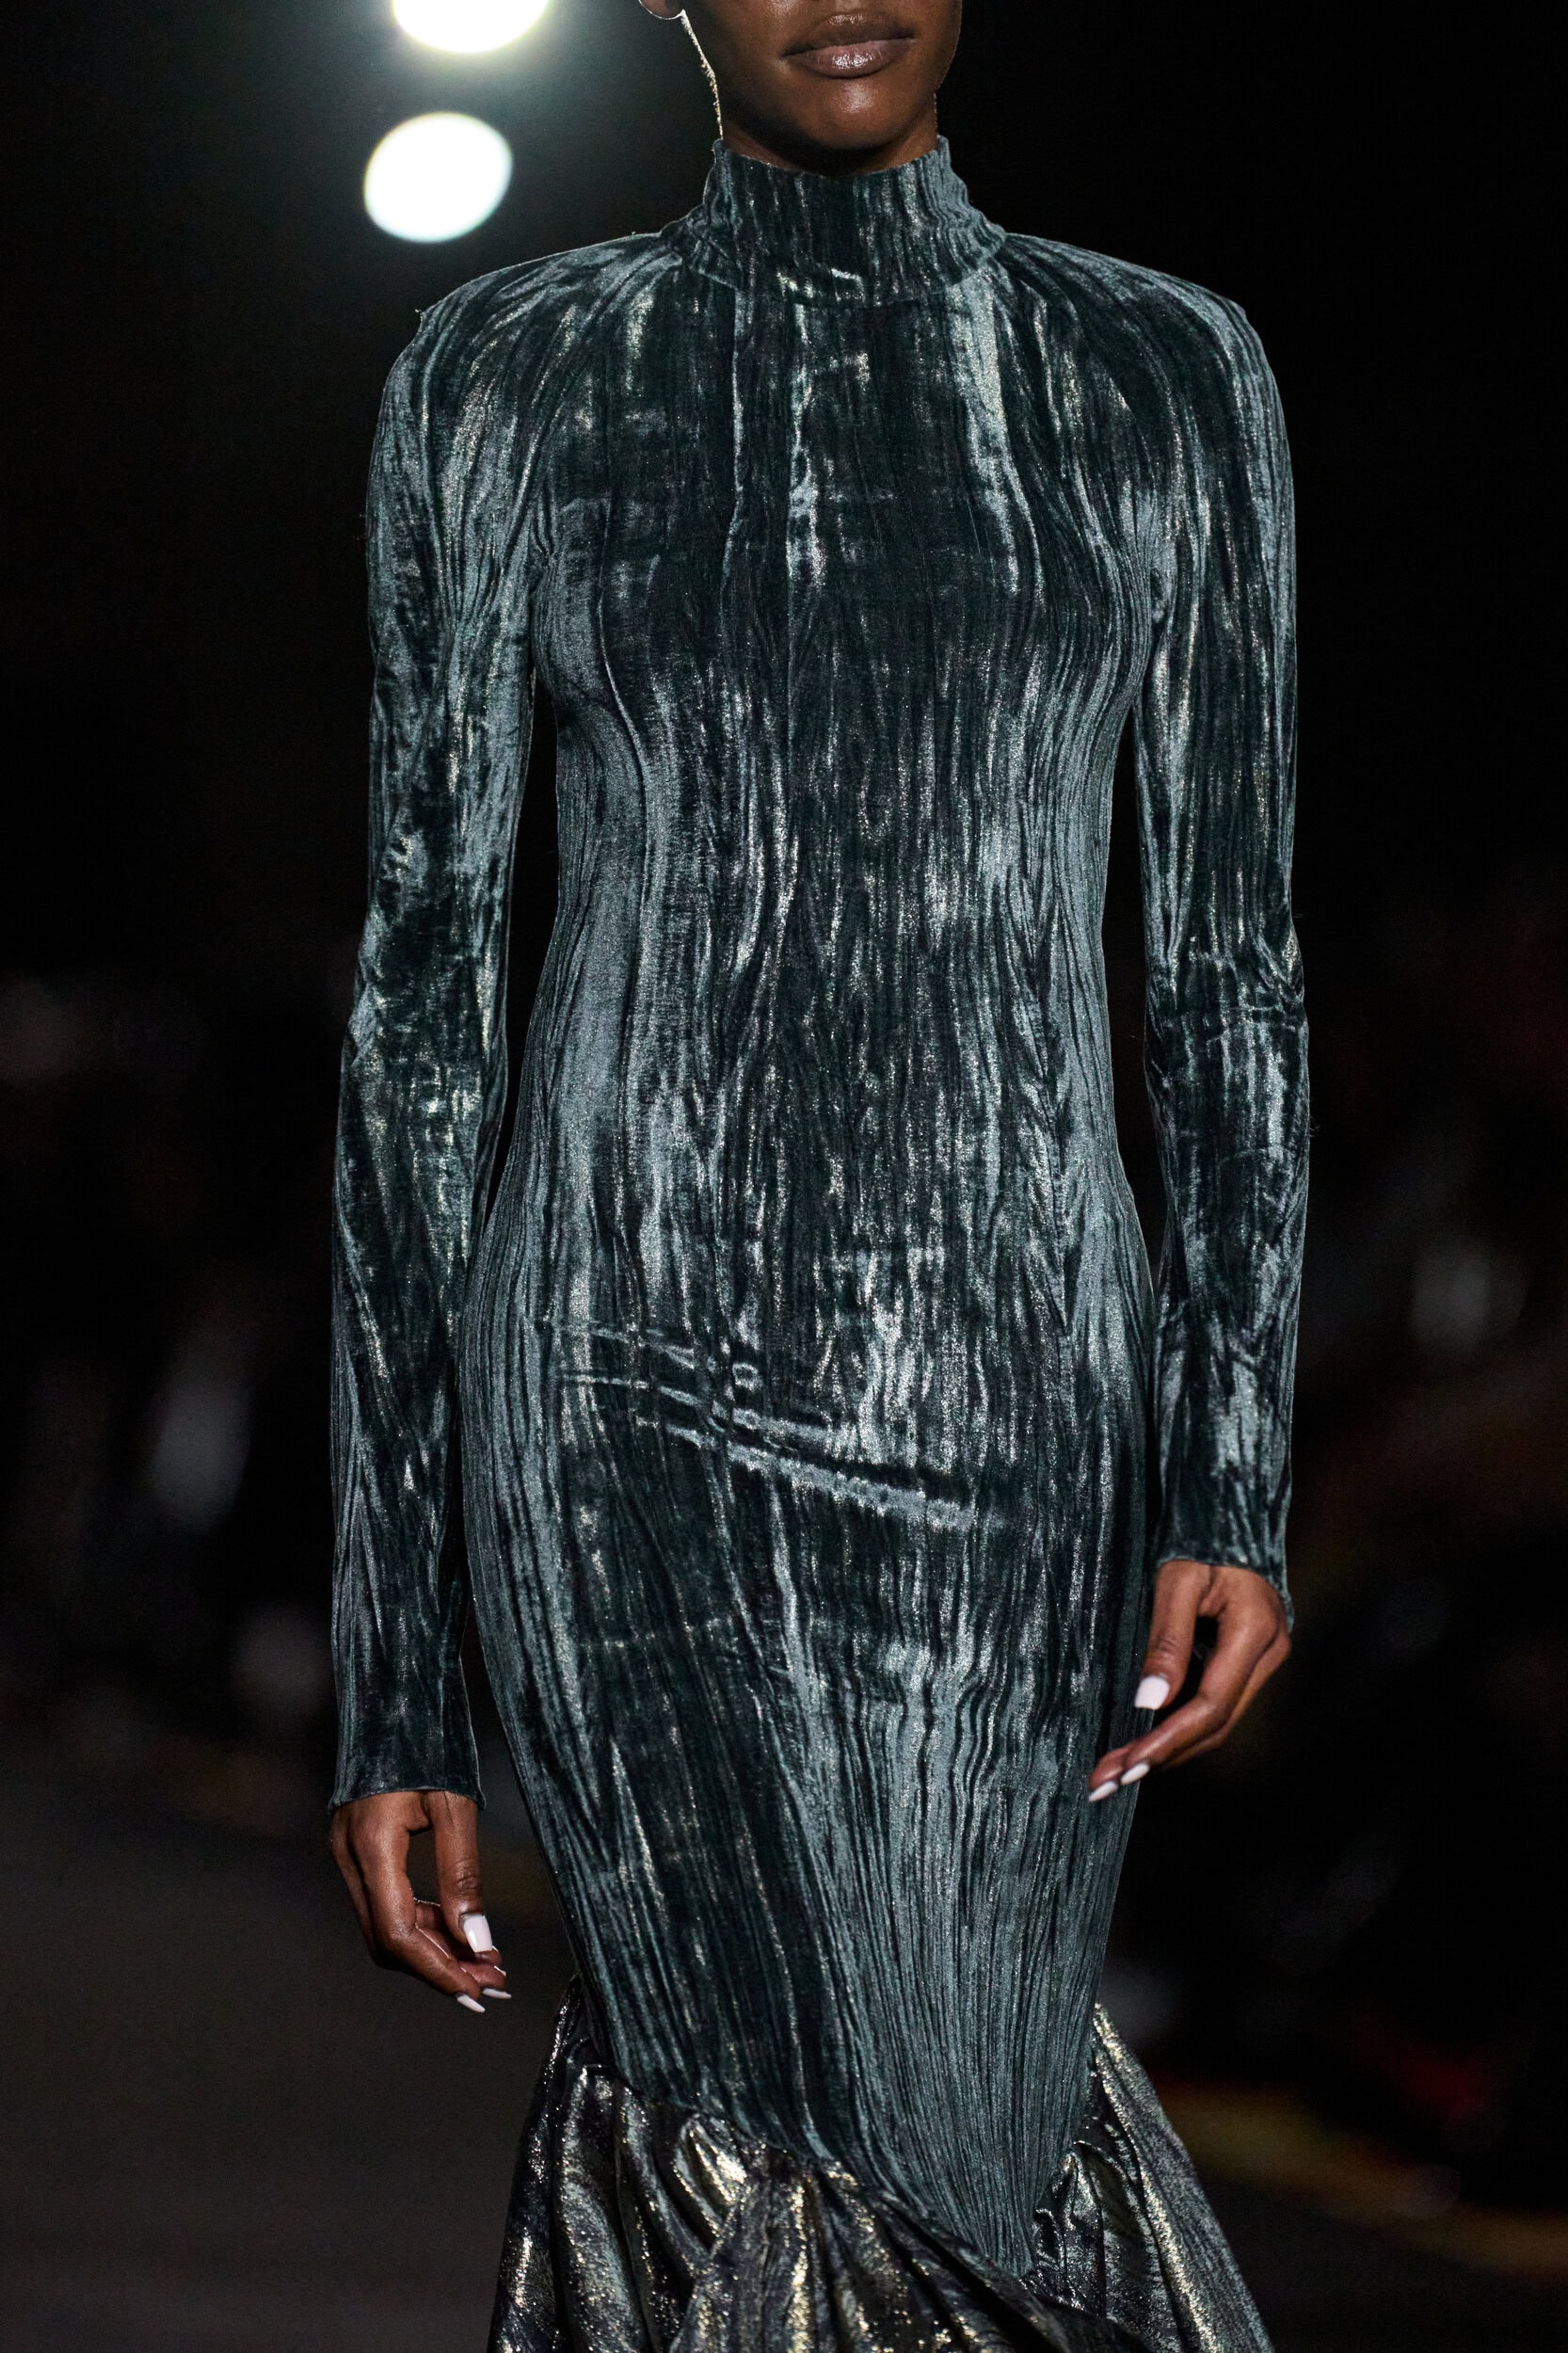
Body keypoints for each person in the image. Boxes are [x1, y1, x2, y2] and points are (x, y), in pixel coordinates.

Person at [328, 3, 1306, 2345]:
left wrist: (1232, 1466)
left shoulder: (1158, 373)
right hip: (619, 1398)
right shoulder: (509, 376)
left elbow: (1229, 966)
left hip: (1019, 1412)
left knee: (959, 2113)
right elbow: (423, 1009)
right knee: (732, 2097)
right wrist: (395, 1666)